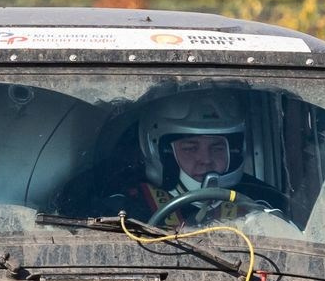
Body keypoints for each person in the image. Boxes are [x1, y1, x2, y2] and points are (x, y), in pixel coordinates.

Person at [95, 88, 290, 228]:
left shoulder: (263, 203)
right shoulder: (123, 206)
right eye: (190, 148)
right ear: (160, 151)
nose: (205, 160)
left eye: (217, 147)